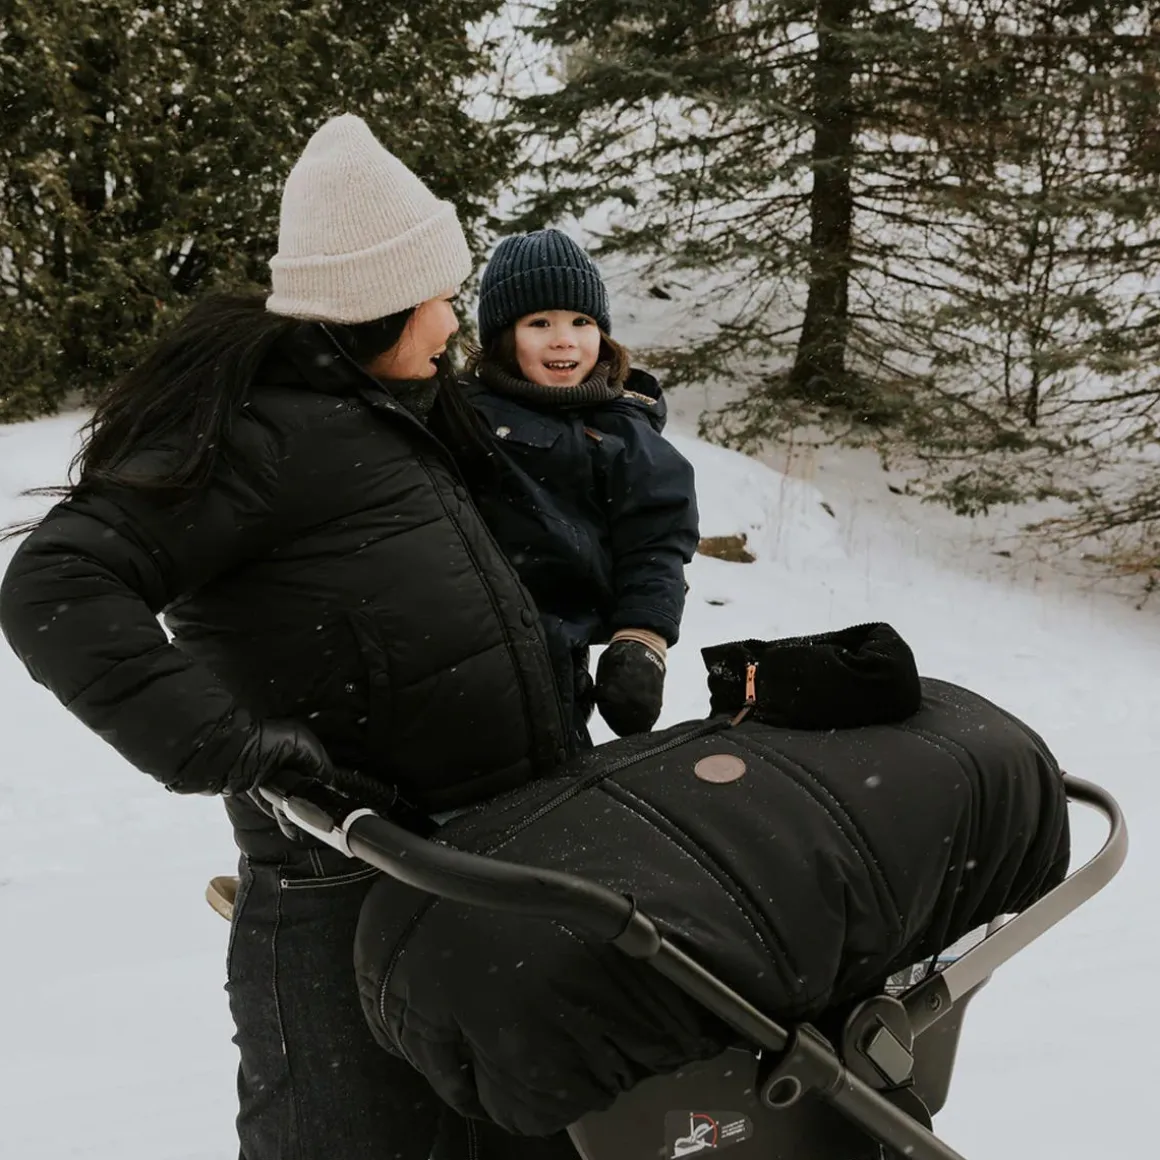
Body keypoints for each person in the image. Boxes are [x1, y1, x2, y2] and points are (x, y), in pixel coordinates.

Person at [0, 114, 571, 1160]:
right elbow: (59, 583)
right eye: (438, 293)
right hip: (343, 887)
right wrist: (226, 744)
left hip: (472, 872)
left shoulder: (378, 410)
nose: (452, 318)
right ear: (378, 303)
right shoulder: (263, 433)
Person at [461, 229, 699, 744]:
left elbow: (655, 543)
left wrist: (642, 639)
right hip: (461, 641)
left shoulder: (623, 433)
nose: (564, 338)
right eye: (539, 322)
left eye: (581, 321)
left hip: (556, 661)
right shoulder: (463, 411)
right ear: (504, 335)